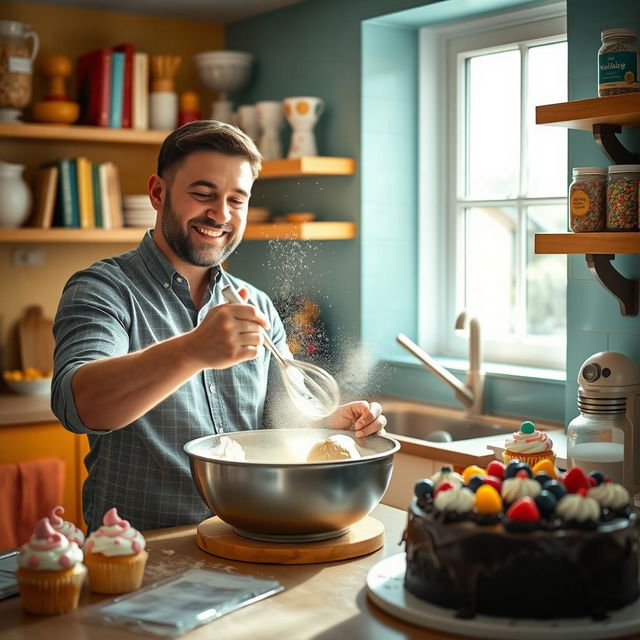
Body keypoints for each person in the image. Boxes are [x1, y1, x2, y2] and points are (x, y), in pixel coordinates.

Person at [52, 120, 387, 533]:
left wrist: (323, 424)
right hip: (139, 554)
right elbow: (78, 405)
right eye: (203, 194)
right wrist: (192, 350)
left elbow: (277, 425)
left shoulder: (257, 305)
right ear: (158, 193)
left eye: (237, 199)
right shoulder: (103, 289)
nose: (221, 214)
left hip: (247, 538)